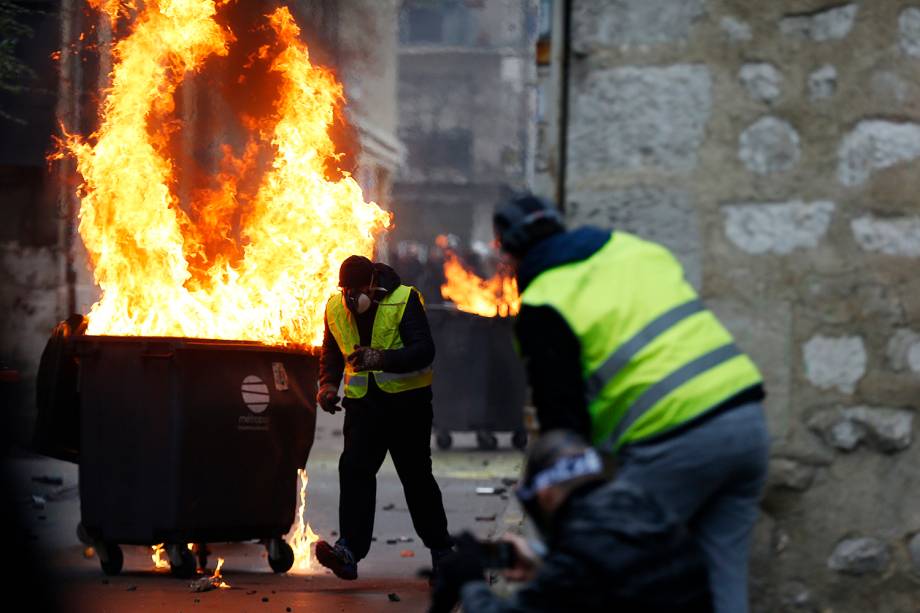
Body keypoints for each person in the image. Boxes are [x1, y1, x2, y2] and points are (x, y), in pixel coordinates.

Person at [492, 193, 770, 613]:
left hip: (675, 440)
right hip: (746, 422)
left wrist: (557, 534)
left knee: (606, 562)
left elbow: (564, 430)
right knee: (723, 584)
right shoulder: (634, 250)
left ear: (511, 253)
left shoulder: (544, 301)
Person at [430, 430, 713, 613]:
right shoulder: (644, 507)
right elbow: (609, 578)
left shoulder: (580, 550)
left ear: (548, 495)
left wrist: (470, 581)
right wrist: (543, 567)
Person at [314, 255, 453, 580]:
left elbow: (424, 350)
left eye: (358, 288)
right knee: (354, 471)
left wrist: (382, 359)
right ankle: (349, 551)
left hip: (407, 407)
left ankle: (442, 551)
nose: (352, 296)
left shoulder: (404, 299)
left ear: (373, 284)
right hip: (364, 408)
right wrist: (328, 385)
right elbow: (331, 351)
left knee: (416, 478)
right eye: (347, 289)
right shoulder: (335, 307)